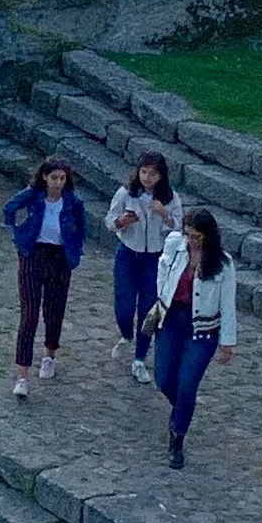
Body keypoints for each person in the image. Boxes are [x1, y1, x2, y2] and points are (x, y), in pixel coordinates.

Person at [145, 205, 237, 468]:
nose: (191, 240)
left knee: (187, 383)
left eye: (197, 236)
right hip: (172, 320)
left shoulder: (223, 264)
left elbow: (228, 304)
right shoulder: (174, 245)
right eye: (188, 234)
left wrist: (227, 342)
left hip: (202, 330)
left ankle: (178, 437)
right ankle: (183, 409)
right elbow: (162, 276)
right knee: (163, 379)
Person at [0, 155, 87, 400]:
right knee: (29, 314)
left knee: (54, 310)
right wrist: (18, 234)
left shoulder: (73, 203)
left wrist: (75, 252)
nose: (58, 183)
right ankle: (22, 375)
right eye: (54, 177)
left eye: (62, 178)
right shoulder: (33, 195)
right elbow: (9, 208)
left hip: (59, 257)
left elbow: (81, 229)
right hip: (33, 254)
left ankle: (49, 354)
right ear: (45, 177)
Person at [105, 153, 178, 385]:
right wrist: (122, 222)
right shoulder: (126, 193)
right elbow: (110, 220)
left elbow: (180, 226)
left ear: (161, 176)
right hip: (128, 254)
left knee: (148, 309)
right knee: (124, 305)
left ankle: (139, 358)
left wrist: (164, 214)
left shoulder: (169, 197)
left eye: (153, 173)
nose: (147, 178)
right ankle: (126, 333)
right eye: (143, 172)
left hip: (154, 258)